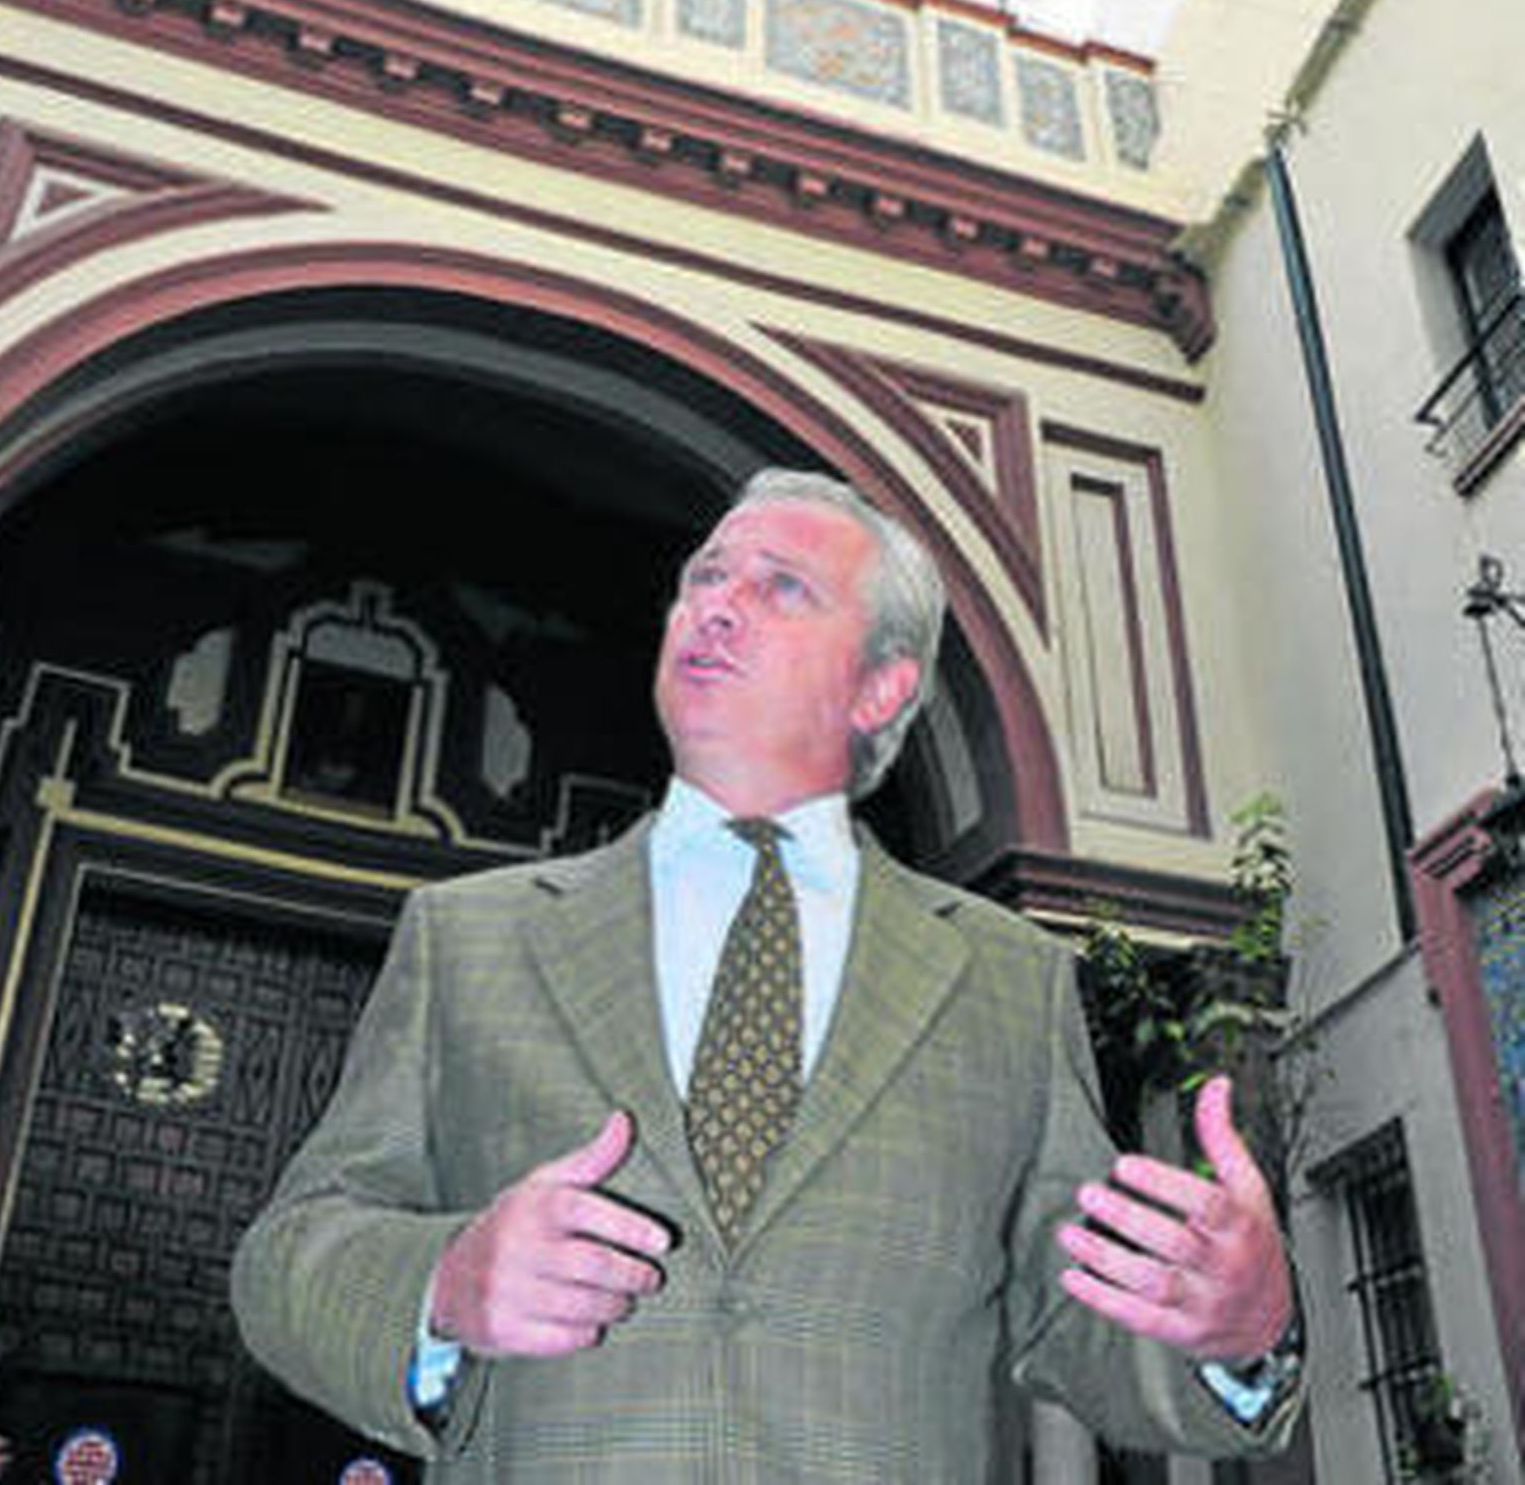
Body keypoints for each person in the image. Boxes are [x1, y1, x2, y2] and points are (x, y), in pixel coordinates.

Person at [232, 470, 1301, 1480]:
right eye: (704, 576)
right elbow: (289, 1256)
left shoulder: (1009, 982)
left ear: (881, 686)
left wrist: (1235, 1330)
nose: (717, 604)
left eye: (780, 587)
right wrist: (443, 1281)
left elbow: (1075, 1315)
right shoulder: (467, 938)